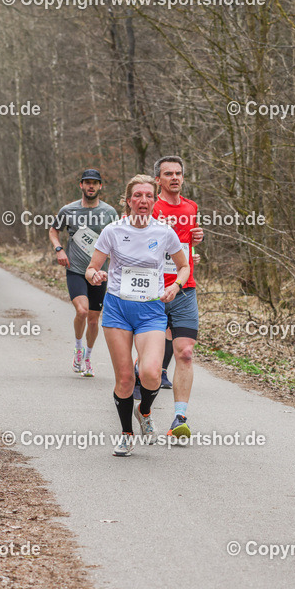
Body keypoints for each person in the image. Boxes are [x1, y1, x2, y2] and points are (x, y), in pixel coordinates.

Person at [86, 174, 189, 456]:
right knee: (124, 380)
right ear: (129, 200)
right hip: (118, 309)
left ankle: (144, 411)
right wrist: (96, 275)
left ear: (155, 200)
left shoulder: (164, 232)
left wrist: (175, 286)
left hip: (151, 311)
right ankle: (126, 434)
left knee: (151, 374)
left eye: (148, 196)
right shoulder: (113, 230)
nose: (143, 201)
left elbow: (184, 267)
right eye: (137, 196)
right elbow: (91, 268)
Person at [150, 155, 203, 438]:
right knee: (150, 360)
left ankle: (179, 417)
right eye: (168, 173)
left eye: (178, 173)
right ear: (157, 179)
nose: (174, 178)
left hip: (185, 287)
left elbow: (186, 244)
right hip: (153, 290)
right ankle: (143, 407)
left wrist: (197, 239)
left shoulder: (191, 207)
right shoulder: (149, 206)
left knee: (185, 352)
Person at [48, 169, 119, 377]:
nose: (91, 186)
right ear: (81, 185)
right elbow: (54, 230)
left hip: (100, 273)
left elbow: (117, 240)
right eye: (87, 183)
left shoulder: (109, 213)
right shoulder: (68, 210)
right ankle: (78, 349)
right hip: (76, 270)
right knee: (82, 311)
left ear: (100, 186)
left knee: (94, 320)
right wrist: (59, 249)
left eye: (94, 183)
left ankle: (87, 357)